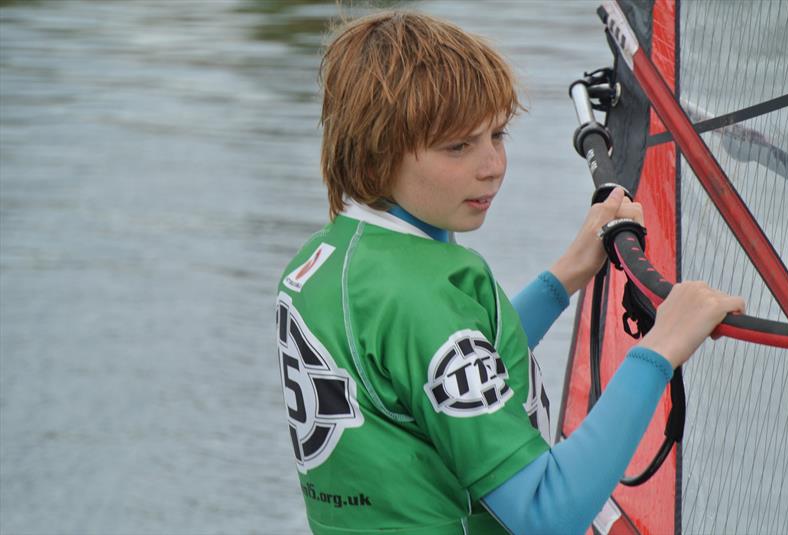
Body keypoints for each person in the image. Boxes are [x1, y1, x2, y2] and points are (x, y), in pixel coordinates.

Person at [275, 11, 745, 534]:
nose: (492, 164)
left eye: (495, 135)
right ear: (376, 150)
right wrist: (661, 348)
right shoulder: (422, 297)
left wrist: (566, 274)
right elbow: (546, 513)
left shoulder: (325, 259)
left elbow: (438, 366)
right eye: (458, 146)